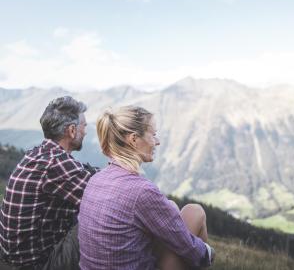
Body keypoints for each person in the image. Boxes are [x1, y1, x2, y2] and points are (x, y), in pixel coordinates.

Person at [78, 106, 215, 270]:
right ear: (134, 139)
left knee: (170, 207)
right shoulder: (141, 190)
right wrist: (209, 253)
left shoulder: (96, 179)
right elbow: (189, 247)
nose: (157, 141)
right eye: (153, 134)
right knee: (195, 211)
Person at [0, 96, 98, 270]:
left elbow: (82, 171)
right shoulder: (55, 162)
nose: (86, 131)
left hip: (13, 259)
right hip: (36, 265)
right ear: (72, 130)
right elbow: (107, 194)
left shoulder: (39, 153)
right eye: (84, 126)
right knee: (103, 216)